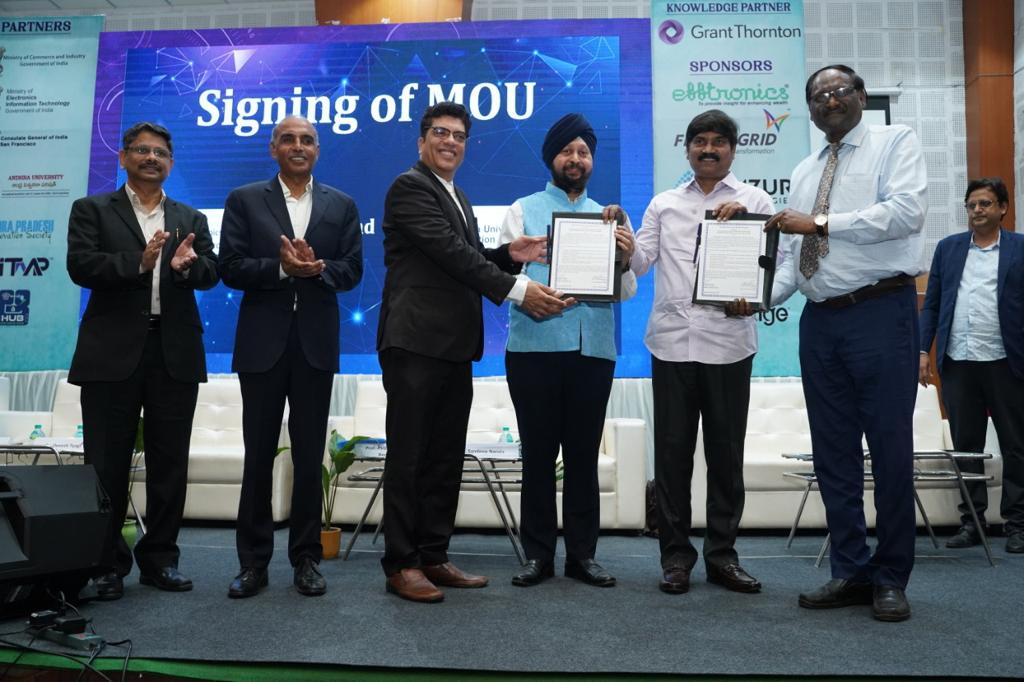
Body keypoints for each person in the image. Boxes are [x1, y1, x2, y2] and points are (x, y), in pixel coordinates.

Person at [377, 102, 567, 603]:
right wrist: (519, 289)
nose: (450, 142)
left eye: (459, 136)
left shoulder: (455, 193)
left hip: (453, 345)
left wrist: (509, 255)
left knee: (443, 457)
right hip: (415, 341)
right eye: (441, 133)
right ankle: (402, 564)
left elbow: (464, 258)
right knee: (410, 457)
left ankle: (433, 555)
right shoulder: (409, 187)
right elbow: (450, 254)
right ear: (421, 140)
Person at [766, 65, 927, 622]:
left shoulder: (894, 142)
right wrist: (754, 300)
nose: (829, 101)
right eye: (818, 96)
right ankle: (850, 570)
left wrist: (821, 222)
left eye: (838, 91)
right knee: (833, 454)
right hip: (820, 322)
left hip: (881, 313)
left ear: (859, 95)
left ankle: (891, 576)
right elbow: (794, 259)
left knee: (889, 450)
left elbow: (905, 213)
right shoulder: (804, 169)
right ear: (810, 110)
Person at [67, 121, 219, 600]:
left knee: (169, 463)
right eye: (141, 150)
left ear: (170, 163)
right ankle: (105, 565)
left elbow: (212, 272)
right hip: (111, 353)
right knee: (105, 464)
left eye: (160, 153)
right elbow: (80, 265)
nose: (151, 158)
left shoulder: (190, 217)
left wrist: (187, 267)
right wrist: (140, 261)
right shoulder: (92, 209)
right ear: (123, 157)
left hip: (174, 352)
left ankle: (161, 560)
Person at [630, 110, 774, 596]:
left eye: (718, 142)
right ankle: (675, 557)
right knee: (672, 458)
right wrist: (619, 240)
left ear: (733, 149)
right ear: (687, 148)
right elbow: (640, 262)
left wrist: (753, 293)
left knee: (726, 458)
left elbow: (773, 265)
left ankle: (722, 556)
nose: (708, 149)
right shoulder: (664, 203)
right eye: (699, 142)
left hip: (729, 344)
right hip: (671, 344)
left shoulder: (756, 201)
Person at [219, 115, 363, 598]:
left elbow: (353, 271)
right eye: (288, 139)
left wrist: (317, 270)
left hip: (315, 346)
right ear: (273, 148)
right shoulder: (244, 199)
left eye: (307, 140)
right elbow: (230, 267)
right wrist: (282, 270)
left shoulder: (341, 204)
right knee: (258, 456)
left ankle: (305, 559)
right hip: (262, 345)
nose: (298, 146)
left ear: (317, 150)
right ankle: (252, 563)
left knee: (308, 457)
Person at [500, 113, 637, 588]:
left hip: (592, 351)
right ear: (551, 158)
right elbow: (501, 274)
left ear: (592, 161)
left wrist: (624, 257)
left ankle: (583, 556)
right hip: (533, 348)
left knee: (582, 457)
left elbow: (625, 292)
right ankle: (538, 556)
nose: (575, 159)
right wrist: (530, 293)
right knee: (538, 456)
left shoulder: (611, 217)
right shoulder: (521, 209)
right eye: (567, 151)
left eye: (583, 152)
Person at [919, 177, 1024, 554]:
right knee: (966, 446)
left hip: (1007, 362)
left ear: (1002, 208)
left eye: (985, 203)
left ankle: (1018, 524)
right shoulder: (949, 249)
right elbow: (932, 304)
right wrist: (922, 351)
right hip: (958, 361)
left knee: (1016, 445)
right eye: (971, 205)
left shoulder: (1019, 248)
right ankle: (972, 522)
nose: (977, 210)